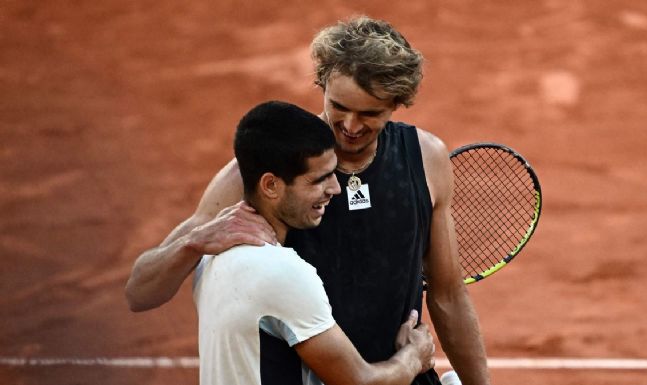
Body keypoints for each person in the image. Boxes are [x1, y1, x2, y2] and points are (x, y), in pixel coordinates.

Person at [126, 16, 490, 385]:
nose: (350, 125)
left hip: (401, 374)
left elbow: (447, 295)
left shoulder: (426, 159)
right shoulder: (264, 172)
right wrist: (193, 241)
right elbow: (141, 291)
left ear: (397, 104)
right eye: (339, 106)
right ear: (323, 86)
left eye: (370, 113)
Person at [193, 100, 435, 385]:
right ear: (271, 185)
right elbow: (361, 382)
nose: (334, 188)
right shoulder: (284, 274)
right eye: (319, 180)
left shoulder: (211, 255)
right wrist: (413, 357)